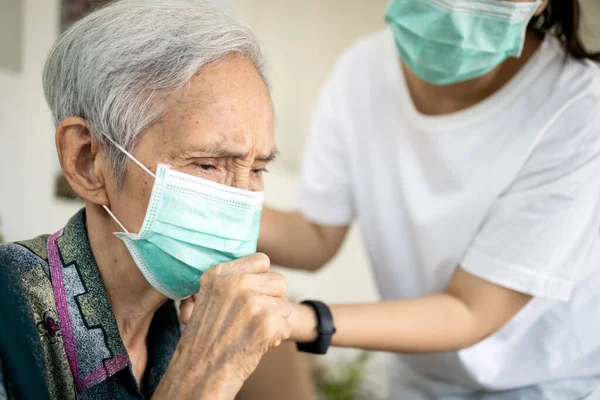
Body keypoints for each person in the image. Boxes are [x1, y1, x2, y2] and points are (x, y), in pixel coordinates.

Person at [259, 0, 600, 398]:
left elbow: (469, 309)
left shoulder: (579, 110)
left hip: (546, 384)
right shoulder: (362, 70)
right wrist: (193, 203)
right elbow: (315, 235)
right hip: (420, 383)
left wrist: (295, 320)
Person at [0, 1, 314, 399]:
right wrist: (200, 377)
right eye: (206, 164)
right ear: (87, 161)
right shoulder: (9, 316)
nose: (240, 200)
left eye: (256, 170)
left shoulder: (203, 322)